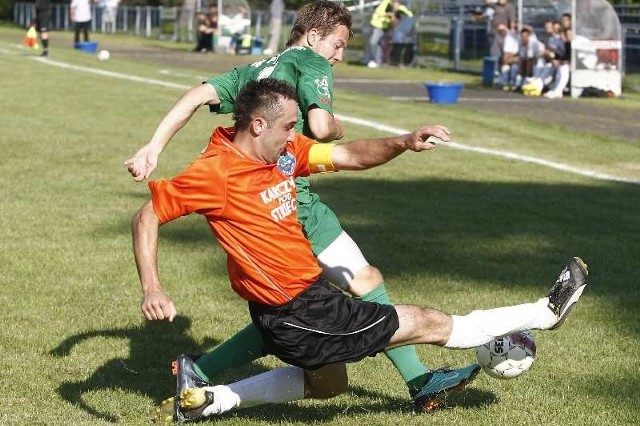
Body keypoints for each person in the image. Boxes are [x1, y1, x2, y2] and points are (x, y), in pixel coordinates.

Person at [131, 78, 589, 423]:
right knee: (428, 323)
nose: (294, 134)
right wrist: (153, 287)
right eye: (288, 125)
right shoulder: (214, 173)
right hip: (298, 311)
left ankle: (208, 401)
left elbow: (347, 156)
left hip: (302, 302)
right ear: (257, 124)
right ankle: (545, 312)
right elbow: (147, 215)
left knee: (328, 385)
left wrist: (403, 143)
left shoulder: (281, 153)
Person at [124, 0, 479, 412]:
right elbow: (324, 129)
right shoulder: (312, 63)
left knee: (288, 307)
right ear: (314, 36)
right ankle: (420, 381)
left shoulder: (257, 72)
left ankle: (199, 370)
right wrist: (340, 125)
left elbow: (193, 97)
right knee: (363, 280)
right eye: (339, 44)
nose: (339, 55)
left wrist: (154, 146)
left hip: (264, 200)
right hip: (293, 205)